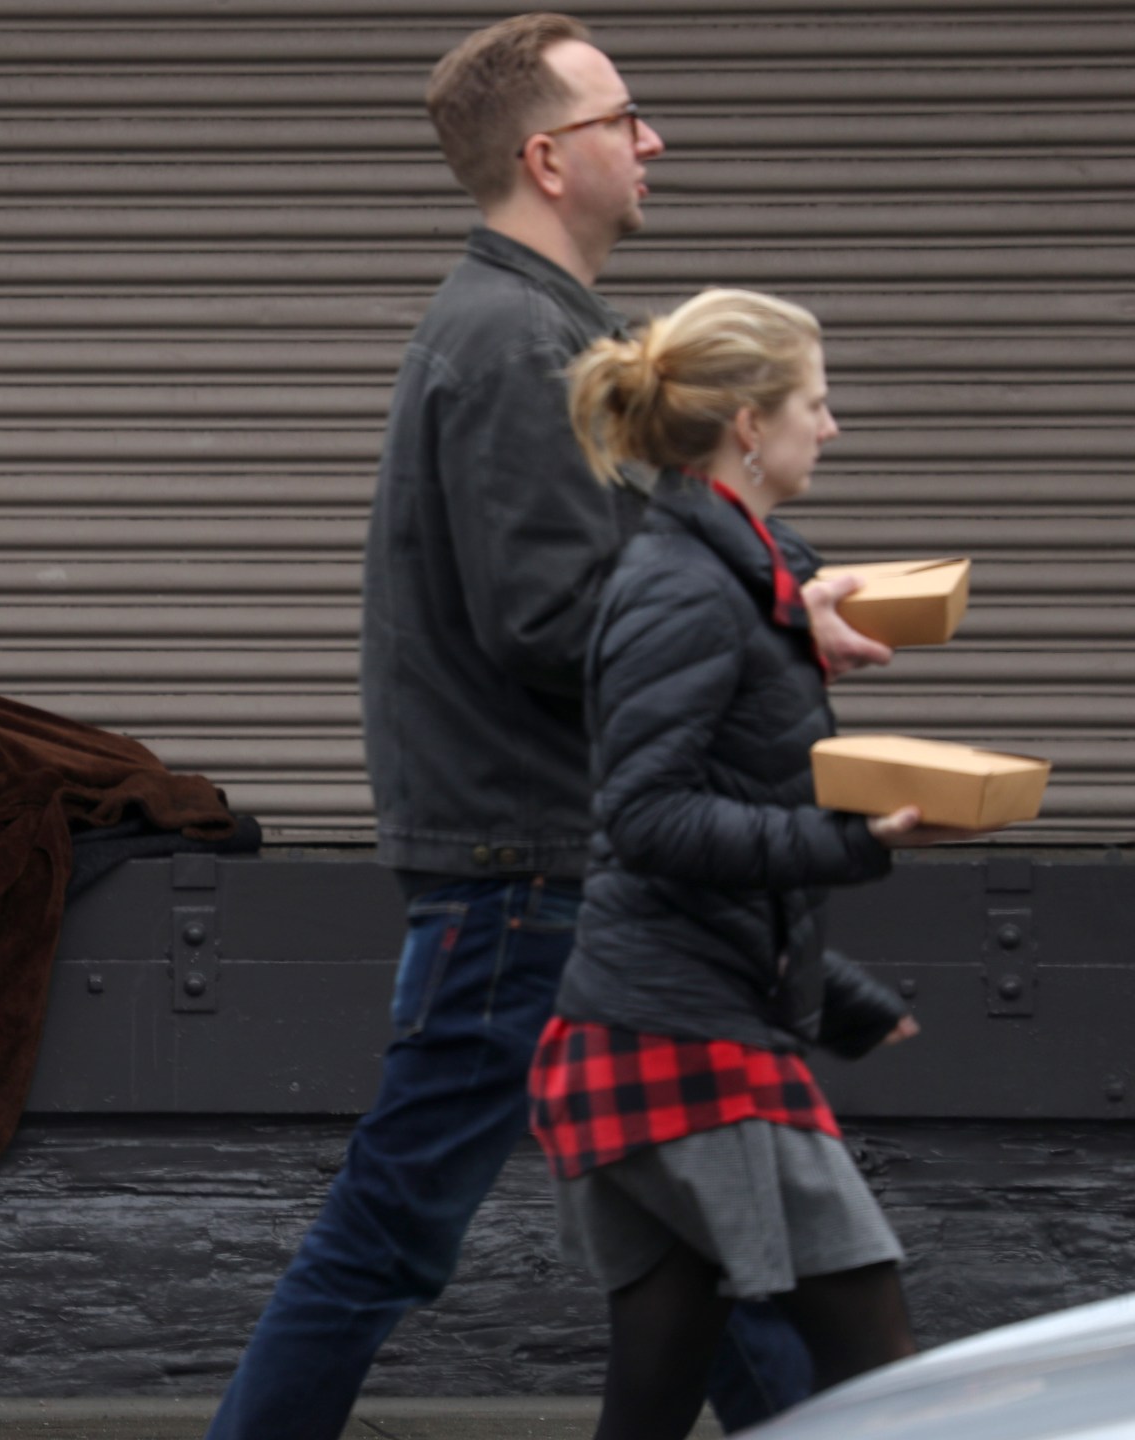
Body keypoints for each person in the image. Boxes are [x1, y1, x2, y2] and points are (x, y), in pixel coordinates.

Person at [205, 15, 890, 1440]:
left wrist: (795, 586)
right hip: (529, 873)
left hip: (563, 870)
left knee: (709, 1229)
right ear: (545, 155)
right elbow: (551, 613)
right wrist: (776, 623)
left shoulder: (552, 331)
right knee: (404, 1225)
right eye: (625, 118)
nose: (654, 141)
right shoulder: (516, 342)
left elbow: (637, 569)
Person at [540, 286, 963, 1440]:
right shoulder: (682, 589)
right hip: (678, 1041)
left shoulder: (728, 574)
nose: (829, 428)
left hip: (659, 1020)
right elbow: (649, 822)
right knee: (872, 1354)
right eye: (814, 405)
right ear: (746, 427)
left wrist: (836, 996)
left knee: (659, 1378)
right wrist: (855, 840)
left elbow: (716, 809)